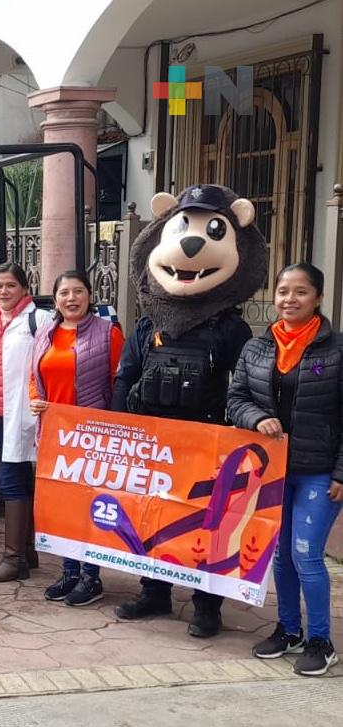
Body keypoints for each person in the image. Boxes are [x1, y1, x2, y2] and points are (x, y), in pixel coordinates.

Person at [111, 184, 263, 638]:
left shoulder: (231, 328)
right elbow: (127, 375)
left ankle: (206, 604)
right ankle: (153, 592)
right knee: (152, 516)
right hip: (153, 439)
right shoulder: (147, 323)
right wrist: (121, 426)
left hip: (207, 439)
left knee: (207, 522)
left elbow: (246, 385)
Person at [227, 264, 343, 676]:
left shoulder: (336, 350)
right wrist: (256, 418)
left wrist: (340, 474)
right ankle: (289, 630)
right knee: (280, 556)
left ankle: (321, 641)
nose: (290, 299)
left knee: (306, 554)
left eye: (301, 292)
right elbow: (235, 399)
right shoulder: (257, 349)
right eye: (282, 291)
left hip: (318, 471)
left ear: (318, 298)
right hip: (273, 472)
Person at [29, 270, 124, 603]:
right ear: (55, 299)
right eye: (64, 292)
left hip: (91, 436)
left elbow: (119, 383)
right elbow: (34, 376)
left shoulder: (107, 333)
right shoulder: (46, 332)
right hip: (54, 434)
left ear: (89, 295)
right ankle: (69, 573)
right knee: (64, 507)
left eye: (78, 291)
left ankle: (91, 576)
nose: (71, 298)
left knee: (90, 506)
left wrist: (109, 426)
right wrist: (34, 400)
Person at [0, 263, 51, 582]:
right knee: (18, 476)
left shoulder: (39, 319)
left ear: (24, 288)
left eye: (9, 285)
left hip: (23, 412)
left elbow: (49, 363)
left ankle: (13, 557)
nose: (3, 292)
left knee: (11, 480)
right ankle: (27, 553)